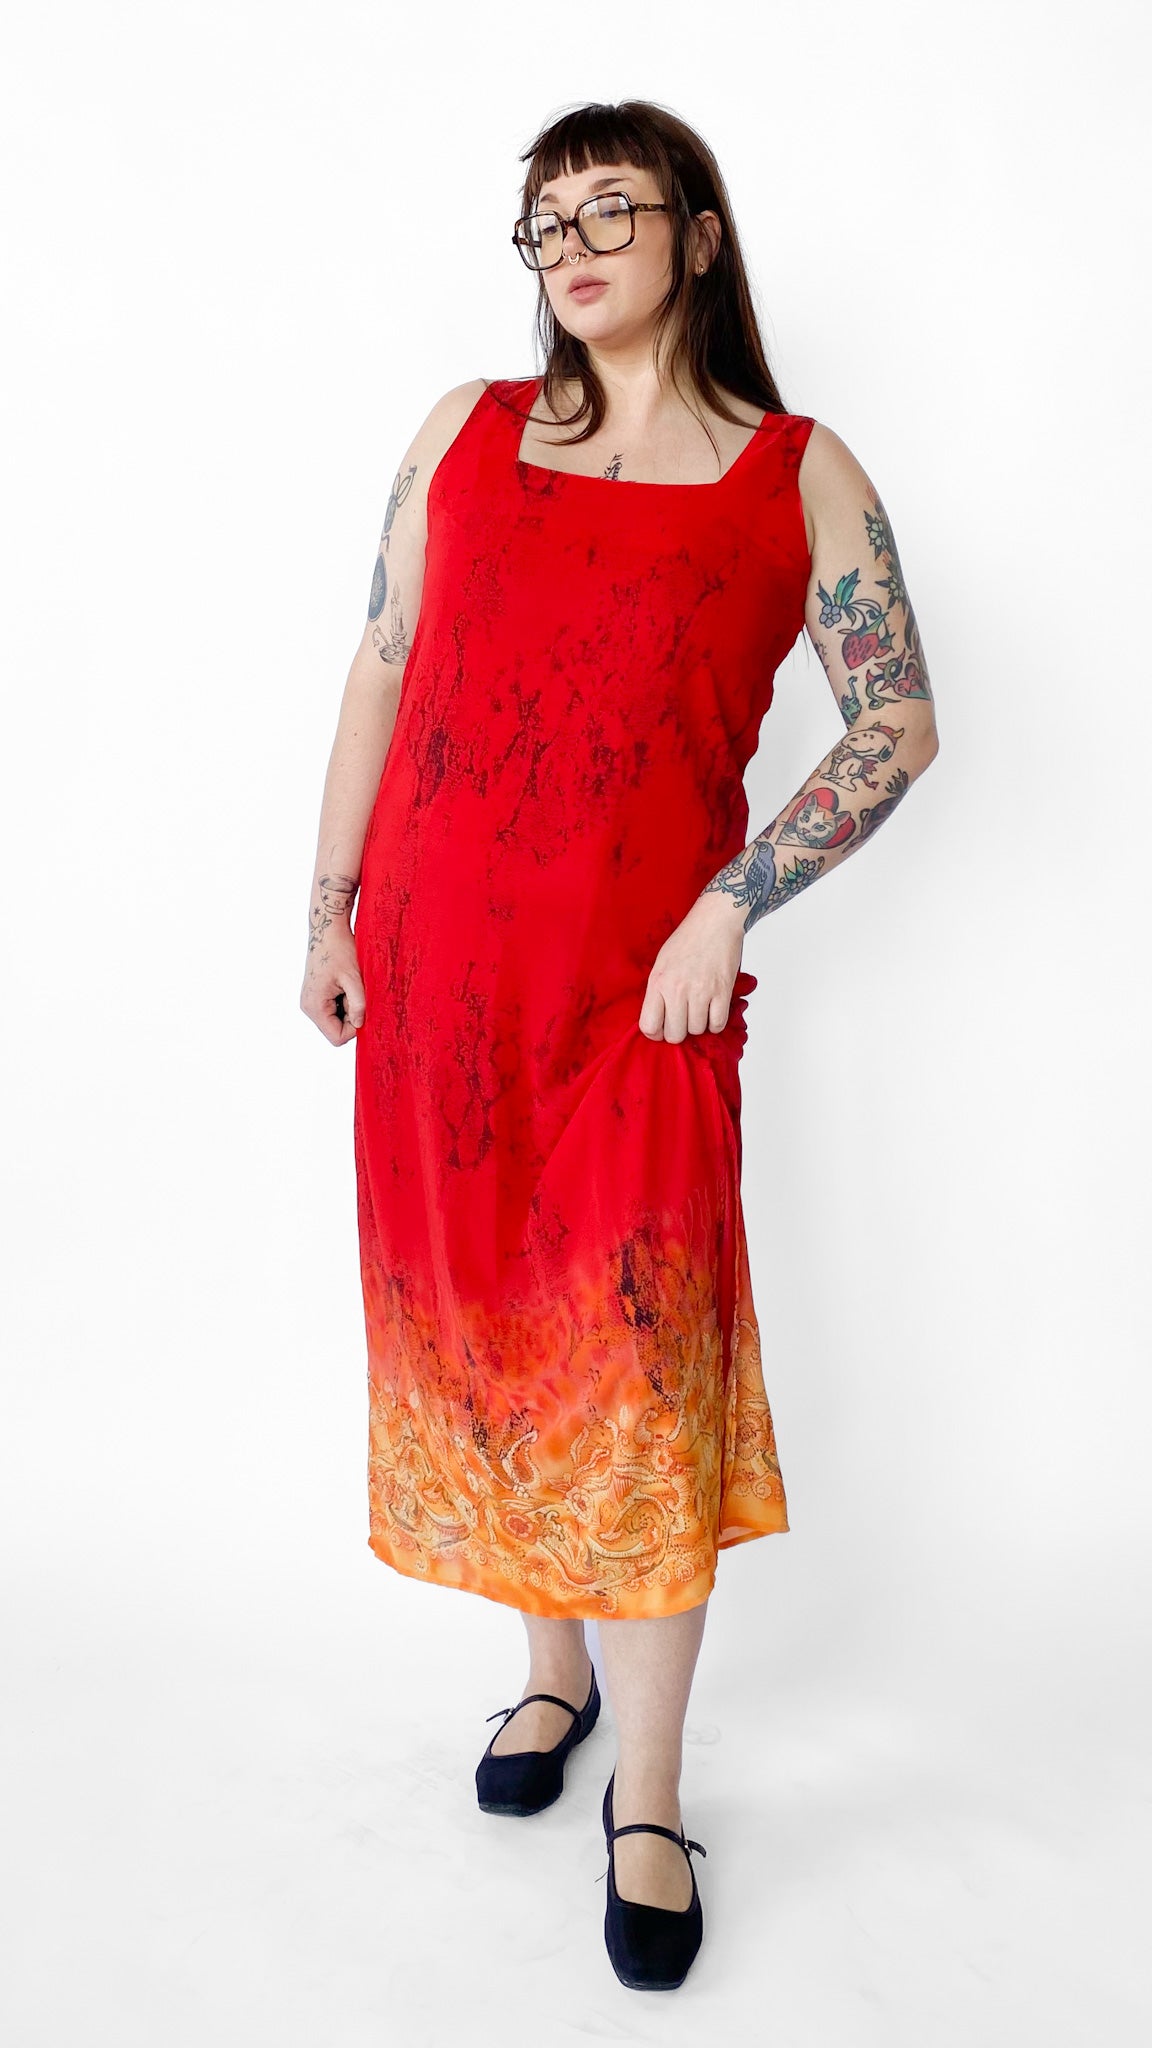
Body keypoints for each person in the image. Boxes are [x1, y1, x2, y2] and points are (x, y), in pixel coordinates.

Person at [300, 99, 939, 1991]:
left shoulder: (795, 475)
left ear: (698, 232)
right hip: (440, 989)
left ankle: (646, 1794)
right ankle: (549, 1673)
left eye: (608, 211)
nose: (570, 249)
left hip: (640, 1005)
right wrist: (328, 908)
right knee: (494, 1337)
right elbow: (383, 663)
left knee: (636, 1384)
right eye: (544, 223)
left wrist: (736, 896)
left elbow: (897, 724)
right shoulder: (466, 432)